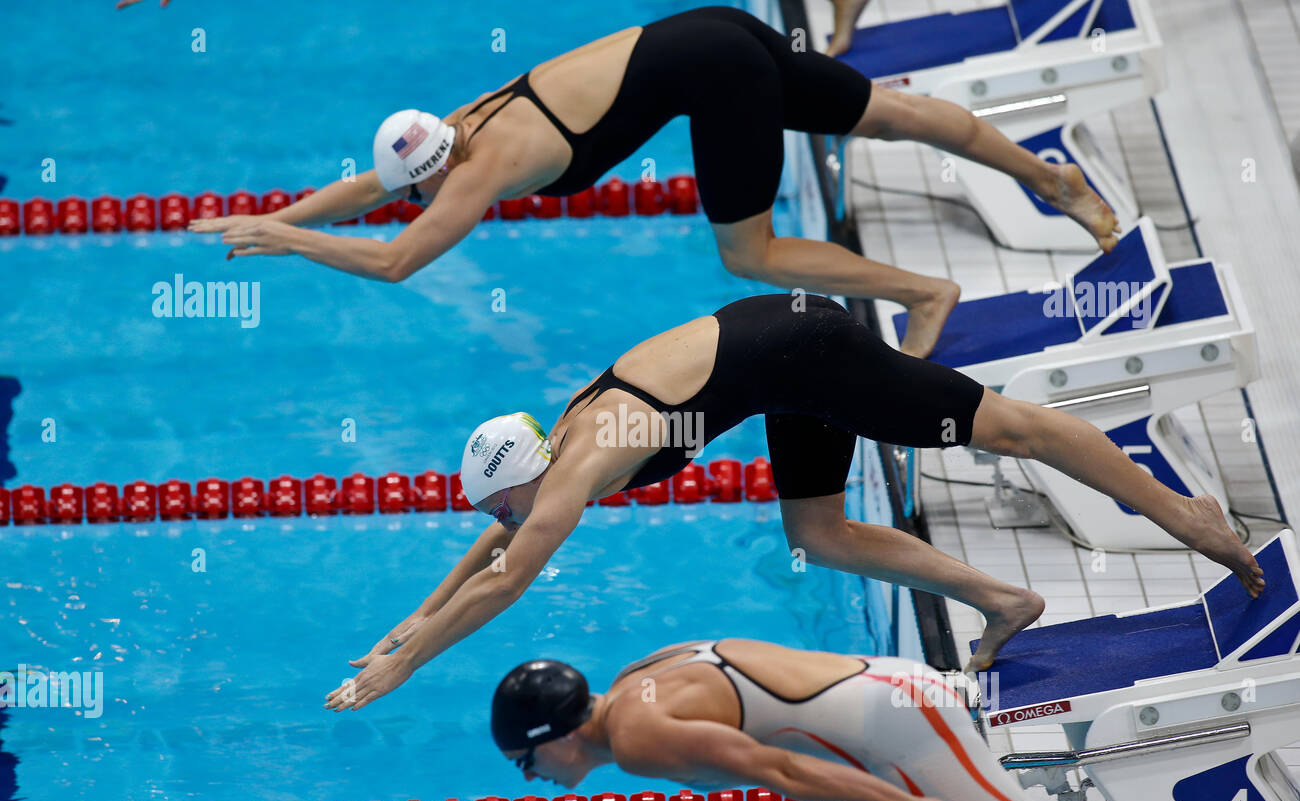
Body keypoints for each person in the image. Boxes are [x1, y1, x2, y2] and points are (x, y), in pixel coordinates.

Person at [322, 293, 1264, 711]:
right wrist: (412, 619)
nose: (500, 522)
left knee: (1013, 427)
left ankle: (1183, 517)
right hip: (777, 357)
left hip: (812, 351)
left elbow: (507, 581)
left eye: (500, 506)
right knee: (817, 532)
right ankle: (1004, 600)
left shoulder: (574, 471)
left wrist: (403, 670)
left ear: (522, 480)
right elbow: (494, 554)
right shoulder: (552, 448)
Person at [190, 6, 1117, 358]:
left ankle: (923, 293)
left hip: (725, 77)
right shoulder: (462, 124)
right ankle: (1056, 181)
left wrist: (290, 242)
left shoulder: (476, 176)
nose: (420, 200)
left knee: (747, 253)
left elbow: (396, 262)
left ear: (441, 174)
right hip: (715, 29)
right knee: (887, 111)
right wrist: (270, 214)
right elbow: (370, 188)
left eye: (422, 193)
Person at [488, 642, 1104, 801]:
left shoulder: (637, 739)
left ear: (558, 738)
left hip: (907, 727)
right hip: (887, 711)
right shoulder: (633, 682)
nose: (533, 780)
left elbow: (783, 771)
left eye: (526, 762)